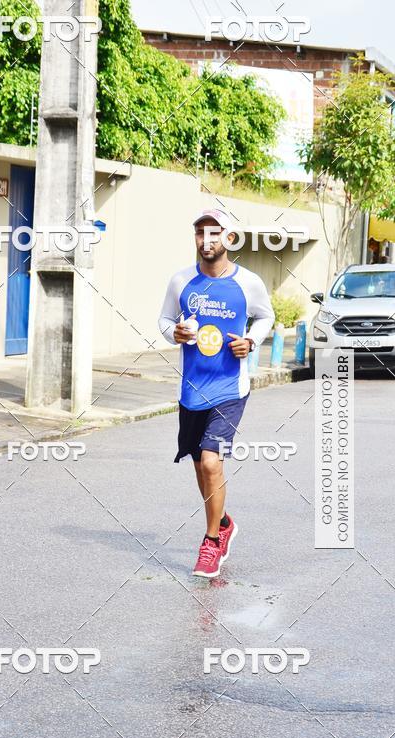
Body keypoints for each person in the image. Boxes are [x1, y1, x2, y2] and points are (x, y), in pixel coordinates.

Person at [158, 209, 274, 578]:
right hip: (192, 390)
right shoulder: (181, 281)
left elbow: (266, 316)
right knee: (200, 465)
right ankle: (223, 522)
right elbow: (164, 320)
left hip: (230, 389)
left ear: (229, 238)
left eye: (214, 233)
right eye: (200, 233)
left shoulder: (248, 283)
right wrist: (173, 333)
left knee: (211, 462)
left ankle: (211, 542)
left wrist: (251, 341)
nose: (206, 240)